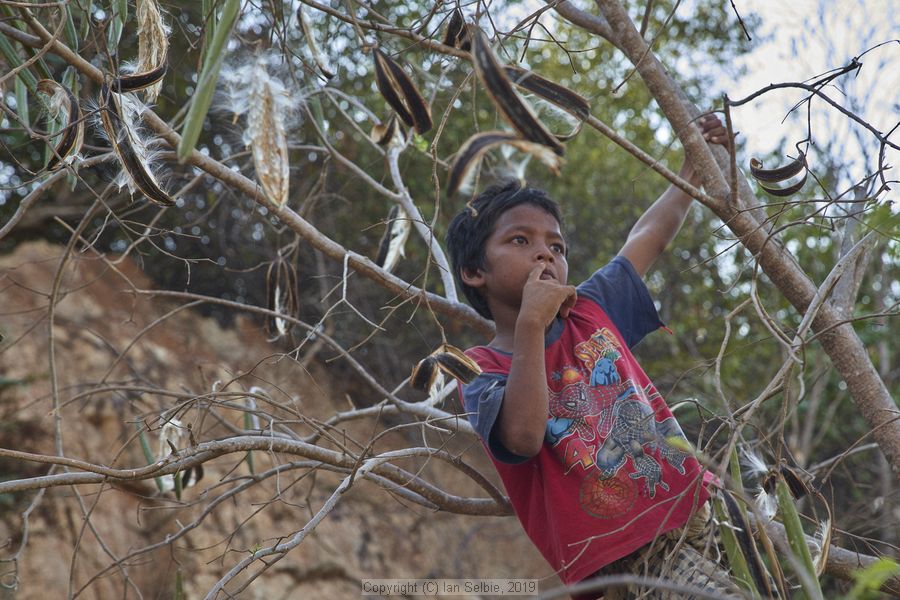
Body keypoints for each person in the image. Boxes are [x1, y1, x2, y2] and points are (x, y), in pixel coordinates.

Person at [446, 115, 742, 599]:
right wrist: (529, 326)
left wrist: (691, 170)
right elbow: (521, 437)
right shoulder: (478, 368)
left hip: (699, 506)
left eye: (556, 246)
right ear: (474, 271)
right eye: (521, 241)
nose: (545, 256)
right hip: (630, 556)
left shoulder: (590, 309)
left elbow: (648, 236)